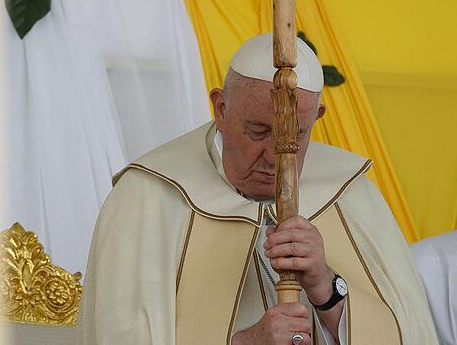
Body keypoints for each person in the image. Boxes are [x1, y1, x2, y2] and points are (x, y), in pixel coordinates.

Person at [78, 34, 438, 345]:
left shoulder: (352, 194)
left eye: (295, 136)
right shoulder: (147, 197)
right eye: (258, 131)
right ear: (221, 108)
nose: (276, 157)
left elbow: (412, 335)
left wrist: (326, 288)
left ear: (318, 117)